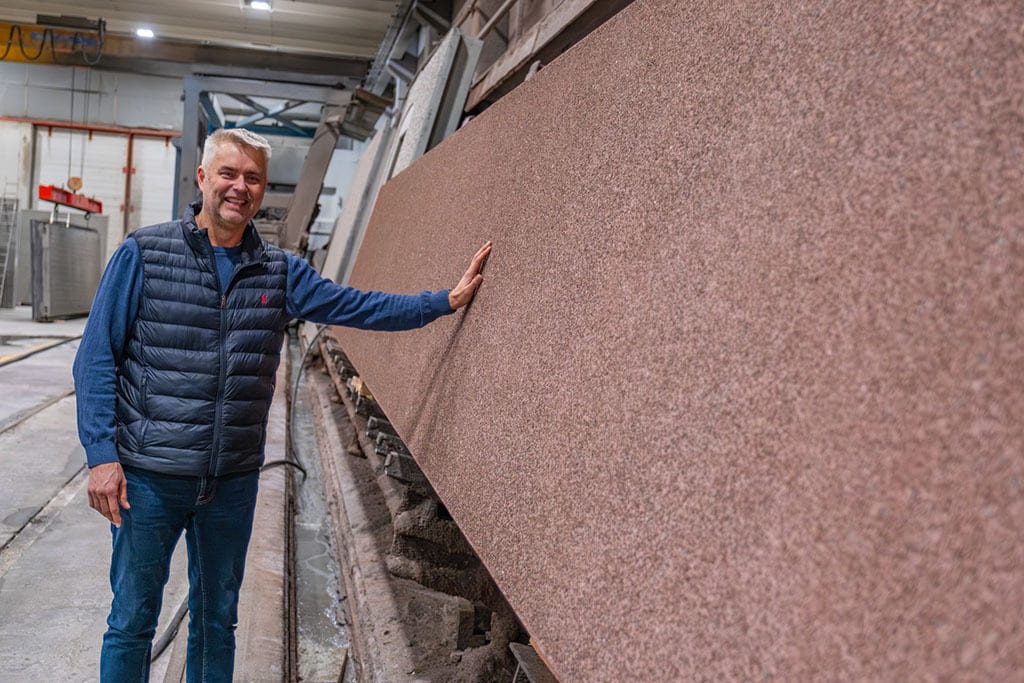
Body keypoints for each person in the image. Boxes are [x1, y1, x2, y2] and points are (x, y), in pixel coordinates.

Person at [72, 127, 492, 682]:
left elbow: (355, 305)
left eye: (252, 178)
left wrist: (441, 302)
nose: (238, 187)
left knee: (217, 621)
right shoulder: (144, 254)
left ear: (262, 190)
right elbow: (95, 360)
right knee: (131, 620)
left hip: (231, 481)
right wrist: (102, 456)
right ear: (203, 179)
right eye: (228, 174)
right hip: (150, 477)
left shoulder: (278, 271)